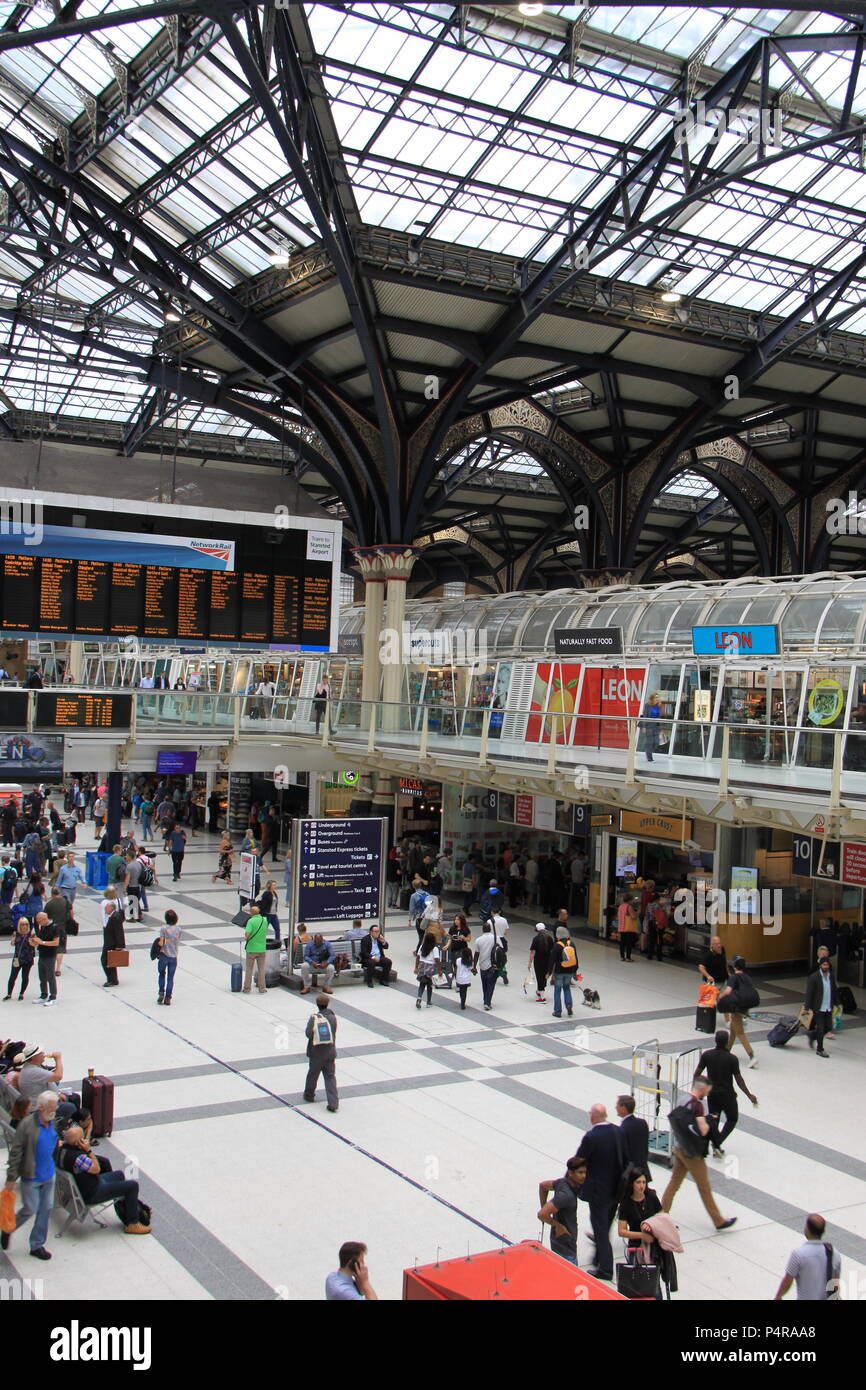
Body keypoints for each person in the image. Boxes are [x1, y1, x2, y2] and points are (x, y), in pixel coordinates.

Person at [661, 1080, 737, 1232]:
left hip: (679, 1147)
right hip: (692, 1153)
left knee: (674, 1183)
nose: (708, 1093)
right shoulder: (698, 1106)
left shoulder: (682, 1099)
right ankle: (718, 1221)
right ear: (701, 1088)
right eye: (707, 1090)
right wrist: (710, 1122)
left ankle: (661, 1215)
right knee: (704, 1187)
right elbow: (703, 1131)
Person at [56, 1125, 151, 1235]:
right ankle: (132, 1223)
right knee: (132, 1186)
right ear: (80, 1142)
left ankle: (130, 1209)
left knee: (120, 1174)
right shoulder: (79, 1158)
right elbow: (97, 1169)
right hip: (92, 1192)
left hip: (84, 1186)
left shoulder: (62, 1150)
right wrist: (88, 1151)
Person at [1, 1089, 59, 1260]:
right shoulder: (27, 1125)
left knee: (46, 1209)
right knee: (30, 1208)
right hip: (31, 1176)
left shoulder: (51, 1121)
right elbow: (16, 1152)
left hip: (49, 1174)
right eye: (51, 1108)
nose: (53, 1111)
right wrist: (12, 1178)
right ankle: (8, 1228)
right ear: (41, 1108)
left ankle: (37, 1244)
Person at [576, 1103, 625, 1282]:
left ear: (595, 1116)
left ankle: (605, 1269)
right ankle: (598, 1258)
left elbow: (579, 1161)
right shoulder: (617, 1132)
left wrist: (568, 1181)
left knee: (600, 1229)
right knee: (606, 1225)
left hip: (598, 1192)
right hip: (616, 1189)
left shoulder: (591, 1137)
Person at [694, 1029, 758, 1154]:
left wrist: (699, 1092)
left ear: (715, 1040)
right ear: (727, 1042)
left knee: (714, 1120)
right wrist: (749, 1095)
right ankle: (717, 1142)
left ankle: (713, 1144)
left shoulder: (707, 1055)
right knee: (732, 1119)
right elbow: (739, 1080)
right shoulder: (732, 1059)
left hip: (712, 1095)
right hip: (728, 1096)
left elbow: (697, 1074)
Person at [773, 1213, 841, 1301]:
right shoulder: (834, 1254)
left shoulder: (798, 1254)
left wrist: (778, 1296)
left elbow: (787, 1281)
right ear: (823, 1231)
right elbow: (835, 1285)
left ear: (807, 1230)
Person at [537, 1156, 587, 1265]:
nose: (584, 1176)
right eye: (580, 1172)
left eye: (585, 1172)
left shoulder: (562, 1183)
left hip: (557, 1241)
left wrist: (544, 1206)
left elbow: (543, 1186)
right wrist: (558, 1226)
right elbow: (542, 1214)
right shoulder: (566, 1196)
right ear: (570, 1173)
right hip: (566, 1246)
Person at [717, 956, 758, 1067]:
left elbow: (728, 991)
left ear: (735, 966)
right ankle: (725, 1052)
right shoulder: (747, 977)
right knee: (733, 1031)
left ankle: (752, 1056)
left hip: (737, 1008)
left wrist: (720, 996)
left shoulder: (734, 978)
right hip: (746, 1007)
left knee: (740, 1033)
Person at [617, 1167, 662, 1260]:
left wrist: (651, 1225)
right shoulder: (626, 1203)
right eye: (638, 1182)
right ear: (631, 1184)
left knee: (654, 1272)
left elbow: (662, 1216)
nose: (642, 1186)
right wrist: (642, 1235)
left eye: (644, 1182)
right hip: (636, 1245)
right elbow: (621, 1231)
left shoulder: (651, 1196)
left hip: (654, 1243)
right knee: (636, 1273)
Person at [303, 994, 338, 1112]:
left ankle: (309, 1095)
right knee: (330, 1077)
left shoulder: (314, 1018)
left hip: (316, 1053)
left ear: (317, 1005)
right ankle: (333, 1103)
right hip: (330, 1052)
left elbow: (308, 1034)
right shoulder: (333, 1017)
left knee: (313, 1074)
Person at [804, 955, 839, 1059]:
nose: (826, 966)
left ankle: (813, 1036)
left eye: (827, 964)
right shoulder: (814, 977)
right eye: (824, 964)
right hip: (818, 1007)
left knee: (829, 1027)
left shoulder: (831, 976)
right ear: (820, 965)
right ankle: (820, 1049)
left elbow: (834, 990)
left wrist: (837, 1002)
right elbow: (809, 993)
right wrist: (807, 1007)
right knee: (821, 1028)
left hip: (828, 1006)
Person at [4, 917, 36, 1001]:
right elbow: (12, 943)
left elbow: (35, 945)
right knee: (12, 977)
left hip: (27, 959)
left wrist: (32, 942)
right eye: (22, 924)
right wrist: (13, 940)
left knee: (25, 976)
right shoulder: (16, 933)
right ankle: (9, 994)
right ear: (19, 925)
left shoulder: (31, 934)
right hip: (17, 958)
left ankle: (21, 993)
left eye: (26, 924)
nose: (24, 926)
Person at [616, 1095, 650, 1171]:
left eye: (617, 1105)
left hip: (630, 1172)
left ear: (623, 1107)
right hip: (643, 1170)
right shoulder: (642, 1123)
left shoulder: (623, 1129)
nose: (616, 1107)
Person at [549, 931, 578, 1018]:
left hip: (559, 971)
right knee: (567, 988)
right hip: (569, 971)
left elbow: (552, 960)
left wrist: (549, 972)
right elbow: (575, 958)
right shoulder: (571, 944)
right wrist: (575, 971)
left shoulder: (557, 945)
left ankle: (558, 1011)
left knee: (557, 991)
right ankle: (569, 1005)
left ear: (558, 937)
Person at [32, 911, 59, 1005]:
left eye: (39, 921)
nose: (38, 923)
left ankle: (53, 997)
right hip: (42, 955)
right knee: (42, 977)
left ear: (44, 919)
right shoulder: (42, 927)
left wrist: (42, 942)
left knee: (50, 977)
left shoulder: (54, 927)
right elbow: (39, 939)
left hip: (50, 956)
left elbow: (56, 942)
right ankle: (44, 995)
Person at [100, 893, 126, 989]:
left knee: (105, 960)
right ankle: (113, 979)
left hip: (111, 944)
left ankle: (111, 979)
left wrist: (120, 945)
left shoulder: (115, 917)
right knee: (110, 961)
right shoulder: (113, 916)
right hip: (109, 942)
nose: (105, 910)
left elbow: (119, 932)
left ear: (111, 908)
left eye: (106, 908)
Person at [472, 919, 499, 1012]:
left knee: (485, 984)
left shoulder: (478, 940)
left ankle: (485, 1000)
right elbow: (501, 950)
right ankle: (487, 1002)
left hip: (482, 965)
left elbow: (476, 954)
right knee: (491, 984)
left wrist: (474, 966)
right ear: (490, 929)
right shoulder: (496, 938)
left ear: (482, 930)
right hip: (493, 965)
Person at [242, 906, 269, 994]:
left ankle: (247, 988)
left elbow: (247, 935)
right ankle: (262, 988)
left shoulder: (251, 921)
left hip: (252, 949)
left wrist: (246, 936)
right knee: (261, 969)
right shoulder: (264, 920)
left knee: (249, 969)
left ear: (252, 913)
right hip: (262, 948)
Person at [157, 908, 181, 1006]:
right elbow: (177, 941)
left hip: (164, 955)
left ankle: (161, 993)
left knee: (162, 974)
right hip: (173, 956)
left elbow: (162, 942)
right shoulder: (179, 929)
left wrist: (158, 943)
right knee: (171, 978)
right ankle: (168, 997)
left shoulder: (163, 928)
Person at [45, 888, 70, 976]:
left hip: (52, 928)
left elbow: (45, 918)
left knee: (52, 947)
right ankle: (58, 968)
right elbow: (71, 912)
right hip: (62, 928)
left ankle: (51, 966)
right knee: (60, 949)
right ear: (59, 892)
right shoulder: (66, 901)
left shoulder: (49, 904)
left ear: (51, 894)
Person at [414, 930, 441, 1009]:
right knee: (429, 985)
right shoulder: (434, 949)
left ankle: (419, 997)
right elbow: (437, 959)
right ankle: (429, 1001)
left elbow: (418, 957)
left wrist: (416, 967)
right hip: (430, 967)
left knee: (422, 984)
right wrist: (439, 970)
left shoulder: (422, 947)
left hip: (422, 966)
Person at [617, 893, 639, 962]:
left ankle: (622, 957)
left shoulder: (620, 906)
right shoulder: (629, 907)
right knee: (629, 943)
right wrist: (638, 912)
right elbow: (633, 916)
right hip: (628, 927)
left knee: (622, 942)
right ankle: (628, 957)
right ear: (630, 900)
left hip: (621, 927)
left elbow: (618, 916)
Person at [454, 942, 474, 1010]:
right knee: (464, 991)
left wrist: (455, 976)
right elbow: (472, 970)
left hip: (459, 978)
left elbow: (456, 969)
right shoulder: (470, 962)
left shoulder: (458, 960)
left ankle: (461, 1002)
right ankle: (463, 1003)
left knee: (461, 990)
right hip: (466, 979)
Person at [643, 691, 661, 761]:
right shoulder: (647, 705)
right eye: (656, 697)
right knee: (650, 742)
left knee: (656, 742)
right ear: (652, 698)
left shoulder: (658, 706)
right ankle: (650, 758)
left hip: (656, 726)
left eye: (658, 697)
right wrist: (644, 727)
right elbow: (645, 716)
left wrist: (660, 728)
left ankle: (648, 750)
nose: (657, 698)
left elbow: (659, 717)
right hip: (649, 726)